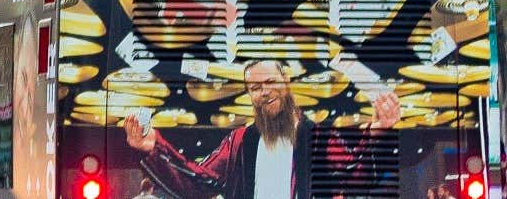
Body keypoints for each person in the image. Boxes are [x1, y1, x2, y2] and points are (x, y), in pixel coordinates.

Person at [123, 60, 402, 199]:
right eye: (255, 88)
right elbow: (200, 181)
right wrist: (154, 147)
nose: (264, 92)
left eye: (270, 82)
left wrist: (377, 130)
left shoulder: (317, 138)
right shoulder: (240, 140)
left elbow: (353, 176)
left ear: (287, 80)